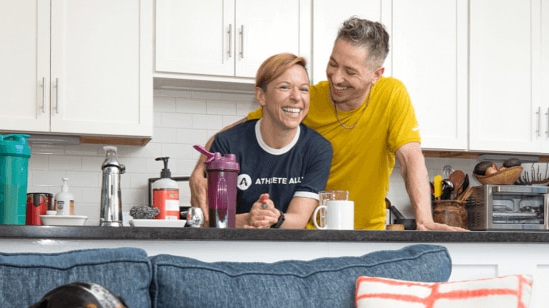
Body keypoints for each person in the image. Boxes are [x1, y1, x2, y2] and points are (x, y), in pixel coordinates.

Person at [191, 17, 461, 231]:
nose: (336, 77)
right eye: (333, 63)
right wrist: (199, 170)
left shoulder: (392, 95)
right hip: (311, 231)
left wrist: (424, 220)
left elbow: (410, 157)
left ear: (376, 74)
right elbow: (235, 132)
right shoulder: (308, 99)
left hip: (365, 231)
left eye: (350, 71)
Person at [200, 53, 332, 229]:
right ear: (261, 96)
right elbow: (213, 220)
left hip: (287, 250)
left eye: (304, 89)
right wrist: (249, 219)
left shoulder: (318, 149)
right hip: (232, 248)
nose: (296, 97)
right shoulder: (228, 144)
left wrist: (273, 217)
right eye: (284, 87)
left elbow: (298, 219)